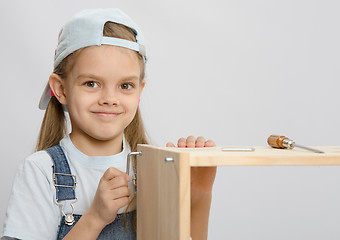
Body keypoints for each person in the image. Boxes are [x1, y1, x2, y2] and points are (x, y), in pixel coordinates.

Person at [0, 8, 216, 240]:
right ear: (61, 89)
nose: (110, 99)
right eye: (91, 83)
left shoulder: (153, 169)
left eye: (125, 86)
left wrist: (199, 194)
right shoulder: (40, 171)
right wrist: (95, 218)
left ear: (139, 91)